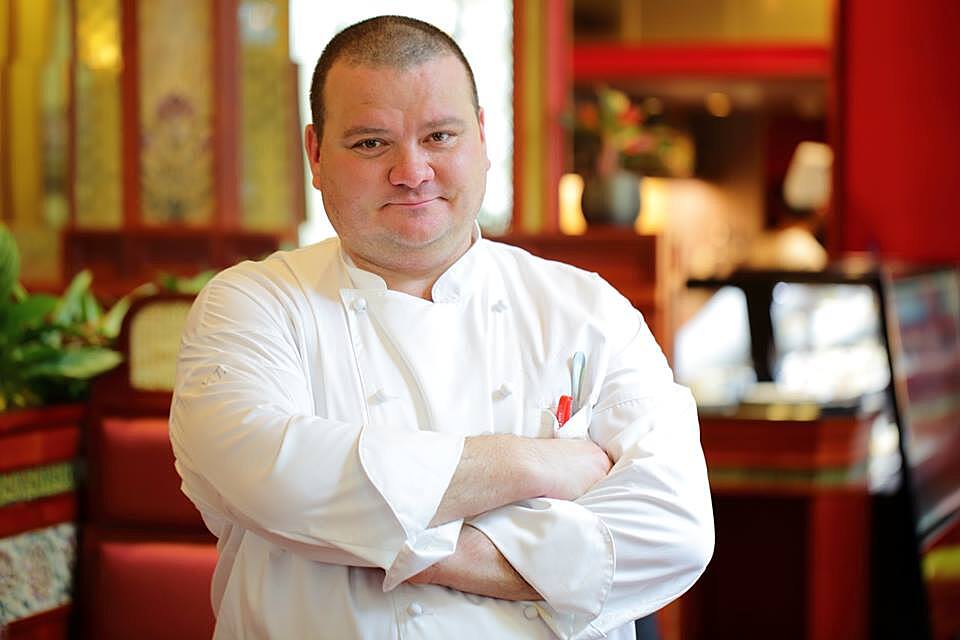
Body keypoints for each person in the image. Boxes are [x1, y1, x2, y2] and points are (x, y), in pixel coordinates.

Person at [169, 15, 713, 640]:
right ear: (315, 154)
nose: (412, 171)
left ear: (481, 137)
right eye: (370, 143)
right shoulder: (251, 305)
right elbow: (272, 479)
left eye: (439, 136)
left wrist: (394, 544)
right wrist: (531, 465)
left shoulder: (586, 309)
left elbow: (674, 527)